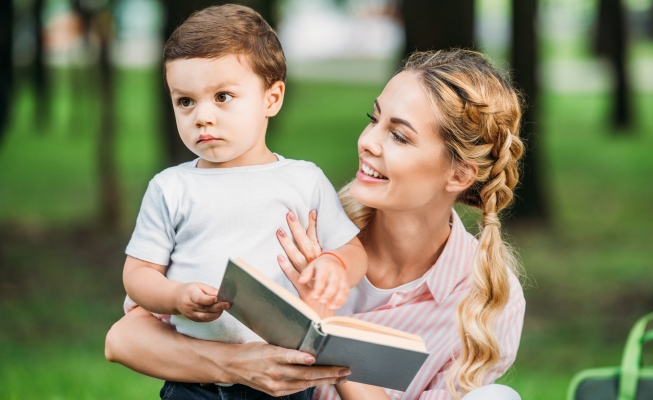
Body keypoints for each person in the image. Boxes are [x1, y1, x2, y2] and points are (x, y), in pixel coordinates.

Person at [106, 49, 526, 400]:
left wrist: (329, 329)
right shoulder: (303, 222)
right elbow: (123, 339)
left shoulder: (488, 299)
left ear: (459, 175)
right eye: (373, 118)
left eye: (398, 136)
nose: (367, 141)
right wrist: (240, 366)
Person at [120, 5, 367, 399]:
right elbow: (137, 274)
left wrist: (335, 265)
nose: (202, 116)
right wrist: (175, 296)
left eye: (222, 97)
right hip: (193, 381)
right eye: (185, 101)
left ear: (272, 98)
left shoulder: (303, 180)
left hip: (283, 378)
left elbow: (352, 250)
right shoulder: (172, 188)